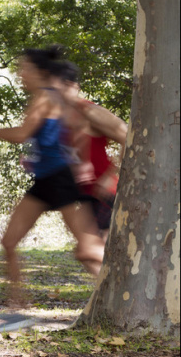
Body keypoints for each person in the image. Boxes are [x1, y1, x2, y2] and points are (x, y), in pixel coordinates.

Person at [0, 46, 104, 332]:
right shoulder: (47, 97)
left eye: (23, 68)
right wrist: (35, 158)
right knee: (9, 242)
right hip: (46, 181)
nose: (19, 73)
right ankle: (18, 312)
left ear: (39, 72)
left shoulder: (45, 97)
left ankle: (125, 293)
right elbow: (48, 138)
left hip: (61, 180)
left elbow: (21, 134)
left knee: (88, 250)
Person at [53, 61, 128, 241]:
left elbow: (128, 137)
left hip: (106, 192)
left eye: (64, 85)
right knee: (85, 250)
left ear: (75, 86)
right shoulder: (59, 118)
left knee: (99, 249)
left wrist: (113, 174)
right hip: (86, 193)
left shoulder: (90, 111)